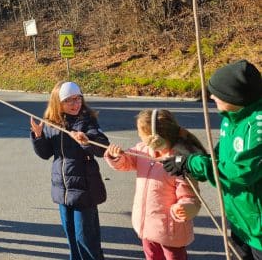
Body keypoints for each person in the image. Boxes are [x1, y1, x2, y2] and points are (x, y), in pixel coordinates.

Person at [162, 59, 262, 259]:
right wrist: (191, 161)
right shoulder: (230, 120)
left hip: (259, 229)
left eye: (217, 93)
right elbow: (218, 157)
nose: (212, 96)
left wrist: (192, 163)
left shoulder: (257, 126)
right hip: (241, 220)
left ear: (235, 95)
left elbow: (240, 173)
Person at [104, 109, 206, 259]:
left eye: (141, 133)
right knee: (151, 256)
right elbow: (127, 162)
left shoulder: (179, 162)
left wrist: (186, 207)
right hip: (147, 225)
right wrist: (116, 157)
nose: (139, 136)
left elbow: (189, 195)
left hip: (170, 231)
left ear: (155, 137)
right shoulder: (143, 150)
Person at [30, 81, 110, 260]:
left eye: (78, 99)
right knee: (72, 237)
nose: (75, 104)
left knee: (86, 238)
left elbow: (103, 146)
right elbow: (45, 154)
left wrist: (86, 140)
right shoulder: (52, 123)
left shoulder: (87, 120)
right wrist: (38, 136)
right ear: (58, 102)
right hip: (62, 190)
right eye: (69, 101)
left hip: (84, 188)